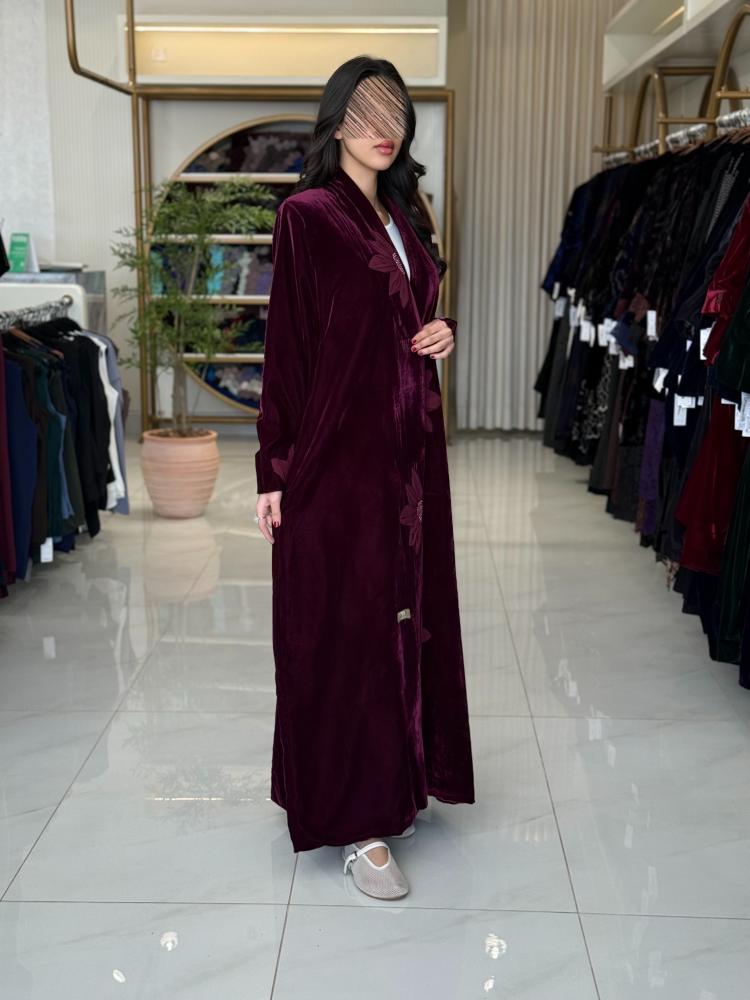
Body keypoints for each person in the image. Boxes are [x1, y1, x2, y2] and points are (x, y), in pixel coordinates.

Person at [253, 55, 475, 900]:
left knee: (405, 620)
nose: (384, 127)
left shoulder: (404, 214)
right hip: (338, 462)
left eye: (396, 112)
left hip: (409, 461)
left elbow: (408, 312)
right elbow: (288, 348)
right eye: (367, 110)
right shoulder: (308, 216)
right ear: (338, 119)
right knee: (345, 633)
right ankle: (355, 825)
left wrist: (441, 329)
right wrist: (274, 470)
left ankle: (401, 777)